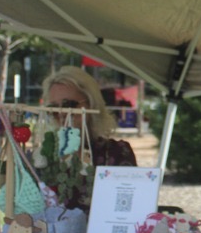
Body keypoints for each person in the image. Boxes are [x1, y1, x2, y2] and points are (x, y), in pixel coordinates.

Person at [40, 65, 137, 208]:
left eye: (69, 105)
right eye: (53, 108)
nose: (61, 113)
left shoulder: (117, 153)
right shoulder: (43, 158)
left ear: (91, 104)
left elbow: (130, 206)